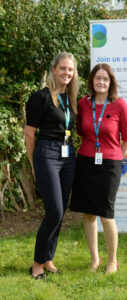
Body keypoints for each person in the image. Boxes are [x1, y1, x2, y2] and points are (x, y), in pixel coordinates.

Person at [70, 63, 127, 274]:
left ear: (111, 82)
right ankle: (95, 259)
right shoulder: (84, 103)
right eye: (98, 78)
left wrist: (118, 156)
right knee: (88, 214)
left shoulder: (119, 105)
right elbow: (81, 130)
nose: (101, 82)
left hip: (110, 164)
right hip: (86, 161)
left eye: (105, 79)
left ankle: (112, 261)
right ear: (92, 81)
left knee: (106, 214)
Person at [24, 52, 79, 279]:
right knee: (54, 211)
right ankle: (36, 264)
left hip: (68, 156)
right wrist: (34, 164)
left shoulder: (72, 98)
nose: (67, 72)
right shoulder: (41, 97)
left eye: (71, 69)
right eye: (63, 68)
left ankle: (48, 259)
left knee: (61, 210)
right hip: (47, 153)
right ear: (54, 70)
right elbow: (29, 134)